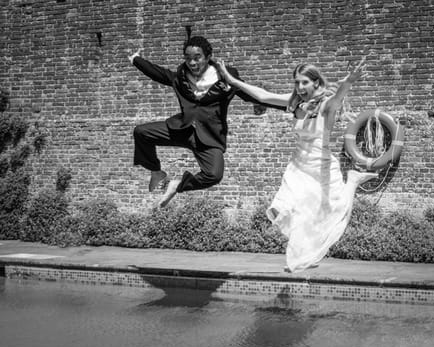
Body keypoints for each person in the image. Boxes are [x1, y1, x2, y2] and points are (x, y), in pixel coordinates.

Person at [214, 57, 378, 272]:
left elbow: (338, 98)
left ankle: (353, 181)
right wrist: (231, 80)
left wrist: (348, 82)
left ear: (316, 83)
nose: (300, 87)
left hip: (322, 166)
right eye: (297, 82)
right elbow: (263, 95)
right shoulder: (294, 103)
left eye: (305, 82)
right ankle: (305, 256)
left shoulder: (326, 106)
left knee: (334, 211)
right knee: (294, 210)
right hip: (299, 165)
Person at [128, 36, 283, 207]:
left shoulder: (225, 77)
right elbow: (160, 74)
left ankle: (176, 186)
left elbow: (249, 94)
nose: (192, 63)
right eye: (188, 59)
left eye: (197, 58)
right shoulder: (181, 76)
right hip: (182, 129)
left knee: (214, 175)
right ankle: (157, 172)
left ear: (208, 57)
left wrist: (289, 107)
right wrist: (136, 60)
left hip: (209, 137)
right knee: (141, 132)